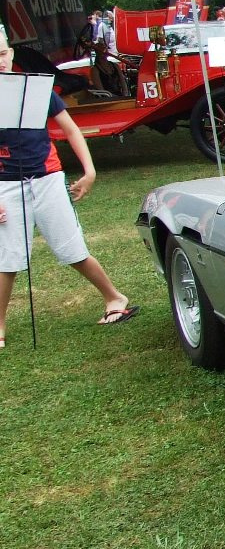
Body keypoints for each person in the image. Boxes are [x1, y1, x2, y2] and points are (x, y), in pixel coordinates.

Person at [0, 27, 135, 347]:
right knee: (8, 259)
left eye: (2, 53)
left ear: (11, 53)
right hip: (5, 184)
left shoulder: (36, 89)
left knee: (71, 248)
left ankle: (115, 299)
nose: (0, 61)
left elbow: (71, 131)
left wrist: (89, 171)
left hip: (47, 178)